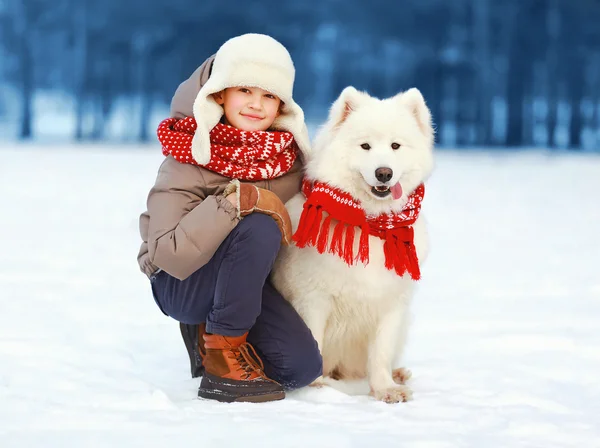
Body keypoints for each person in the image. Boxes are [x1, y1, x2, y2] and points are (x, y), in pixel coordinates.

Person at [137, 34, 322, 403]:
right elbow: (167, 253)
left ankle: (214, 330)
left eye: (269, 95)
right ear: (219, 94)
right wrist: (239, 201)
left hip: (245, 286)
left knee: (300, 368)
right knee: (258, 223)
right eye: (245, 91)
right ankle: (222, 359)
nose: (256, 104)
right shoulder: (187, 154)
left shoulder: (289, 158)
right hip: (180, 283)